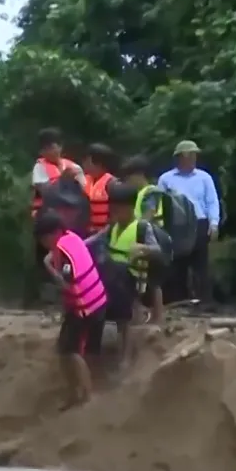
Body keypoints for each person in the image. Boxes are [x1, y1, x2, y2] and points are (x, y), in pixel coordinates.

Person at [86, 183, 165, 366]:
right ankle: (92, 352)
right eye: (113, 209)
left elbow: (158, 251)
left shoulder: (142, 228)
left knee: (121, 309)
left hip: (130, 278)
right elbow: (91, 241)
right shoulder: (111, 228)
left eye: (119, 208)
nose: (115, 213)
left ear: (129, 208)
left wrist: (144, 248)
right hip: (110, 278)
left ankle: (126, 357)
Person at [33, 213, 107, 409]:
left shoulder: (62, 252)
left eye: (44, 239)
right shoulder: (71, 238)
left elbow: (67, 283)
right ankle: (76, 393)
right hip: (97, 302)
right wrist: (49, 262)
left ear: (54, 233)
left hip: (84, 308)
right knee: (66, 350)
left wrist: (52, 275)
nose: (43, 244)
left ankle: (87, 397)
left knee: (71, 351)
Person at [157, 140, 220, 304]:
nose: (193, 159)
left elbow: (212, 201)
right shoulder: (166, 179)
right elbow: (159, 203)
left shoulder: (204, 177)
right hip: (176, 226)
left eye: (194, 155)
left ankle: (205, 302)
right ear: (180, 157)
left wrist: (214, 224)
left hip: (200, 223)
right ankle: (179, 301)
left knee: (201, 265)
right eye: (189, 155)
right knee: (177, 265)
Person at [118, 156, 168, 321]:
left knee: (154, 282)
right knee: (139, 278)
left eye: (129, 178)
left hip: (155, 239)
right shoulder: (138, 194)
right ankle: (139, 315)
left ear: (139, 175)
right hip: (143, 237)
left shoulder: (151, 192)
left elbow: (149, 215)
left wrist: (137, 230)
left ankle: (157, 317)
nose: (127, 182)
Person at [30, 127, 87, 220]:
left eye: (51, 148)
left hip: (72, 215)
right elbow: (45, 193)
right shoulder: (39, 167)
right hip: (49, 216)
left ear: (60, 147)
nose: (49, 152)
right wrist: (63, 180)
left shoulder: (74, 167)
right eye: (45, 149)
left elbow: (85, 191)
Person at [83, 143, 117, 234]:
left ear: (98, 163)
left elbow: (115, 214)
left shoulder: (112, 183)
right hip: (87, 232)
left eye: (86, 160)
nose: (84, 164)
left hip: (104, 234)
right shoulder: (83, 181)